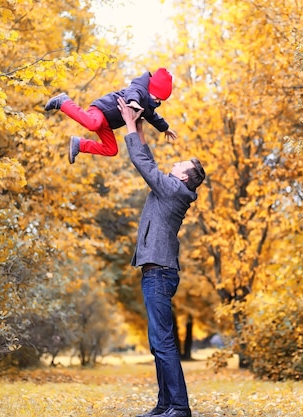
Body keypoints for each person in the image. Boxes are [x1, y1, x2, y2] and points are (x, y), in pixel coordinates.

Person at [117, 97, 205, 417]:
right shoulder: (172, 187)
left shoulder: (174, 191)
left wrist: (128, 124)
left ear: (184, 177)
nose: (176, 162)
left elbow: (144, 165)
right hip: (155, 272)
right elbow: (150, 161)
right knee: (158, 342)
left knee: (164, 342)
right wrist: (139, 125)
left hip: (159, 273)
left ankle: (179, 407)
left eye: (182, 164)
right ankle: (165, 404)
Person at [43, 68, 177, 164]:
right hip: (101, 109)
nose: (158, 102)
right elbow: (133, 93)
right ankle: (63, 102)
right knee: (93, 123)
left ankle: (79, 144)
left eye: (160, 101)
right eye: (157, 98)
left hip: (107, 124)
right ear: (151, 89)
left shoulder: (148, 104)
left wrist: (165, 128)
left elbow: (153, 116)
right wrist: (133, 102)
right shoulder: (139, 88)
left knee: (112, 149)